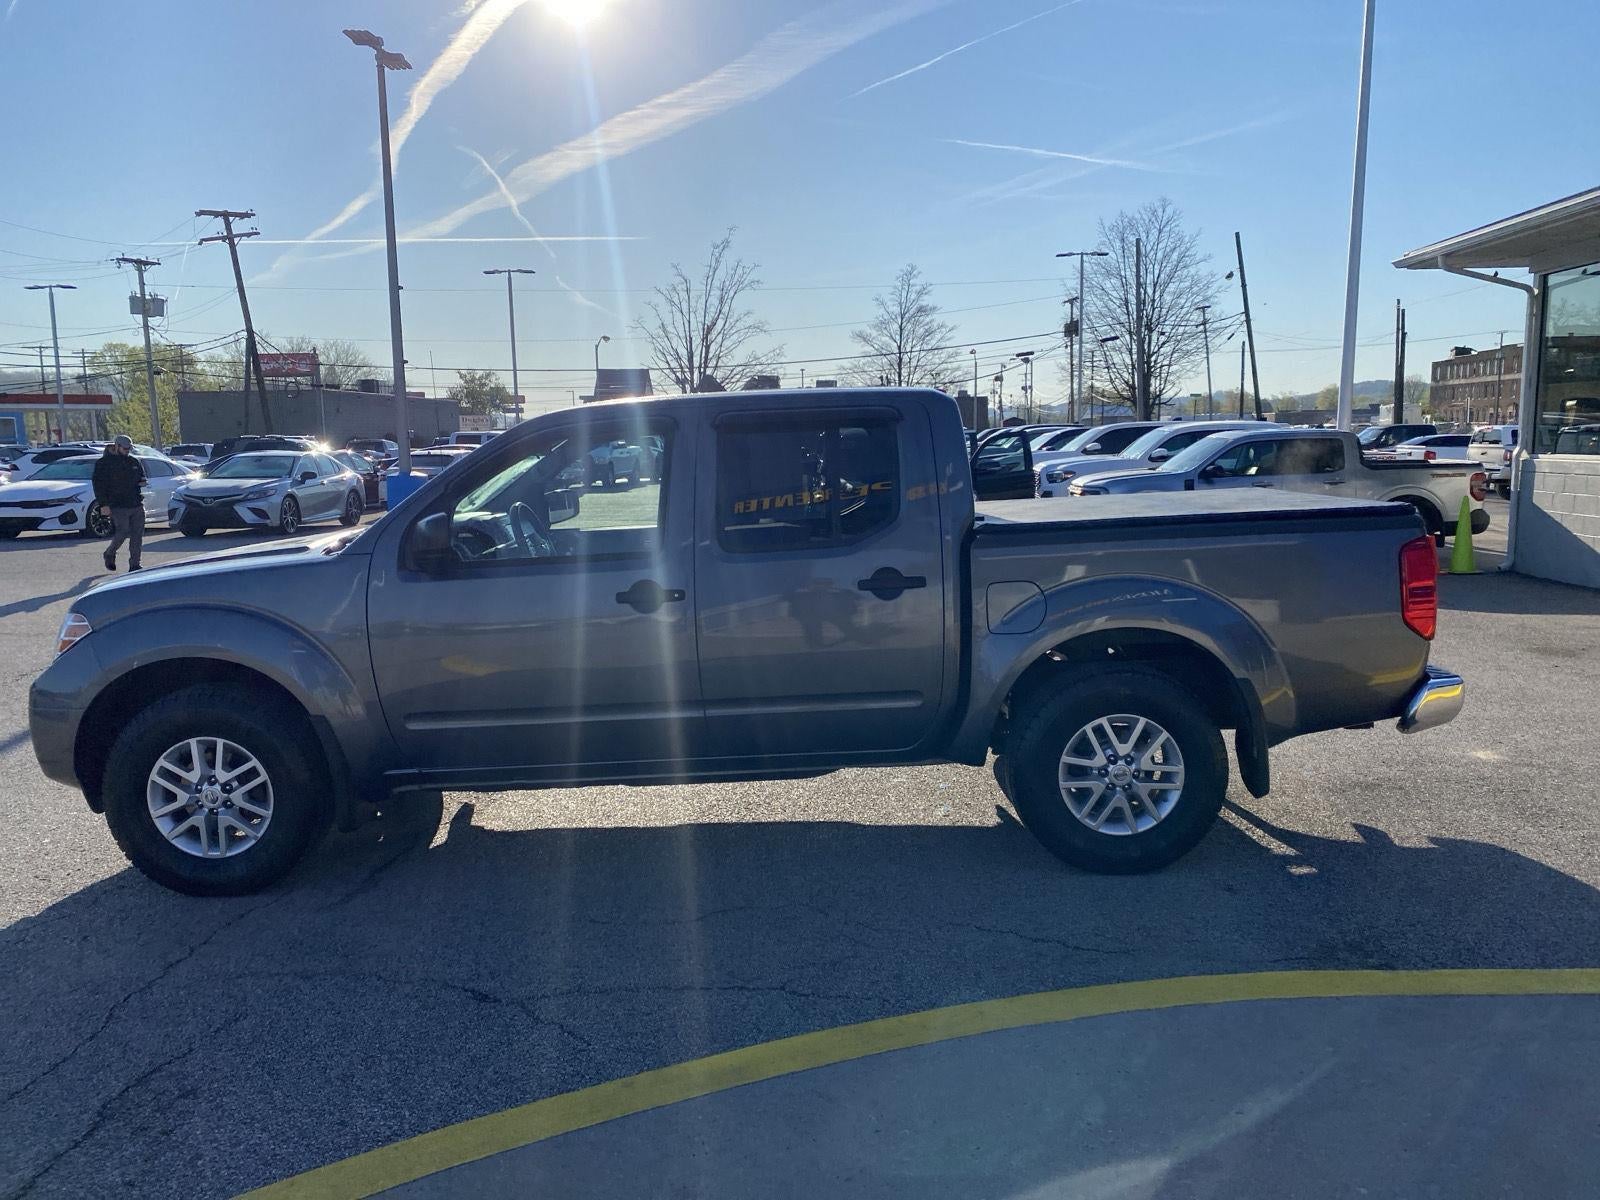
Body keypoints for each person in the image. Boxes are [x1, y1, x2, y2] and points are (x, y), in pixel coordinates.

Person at [92, 435, 146, 572]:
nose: (127, 451)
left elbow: (141, 477)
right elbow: (98, 485)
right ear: (116, 446)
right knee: (122, 532)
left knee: (137, 535)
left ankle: (135, 564)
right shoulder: (103, 464)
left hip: (136, 503)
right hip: (117, 505)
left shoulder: (133, 462)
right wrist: (103, 504)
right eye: (125, 448)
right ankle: (109, 553)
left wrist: (142, 482)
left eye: (129, 448)